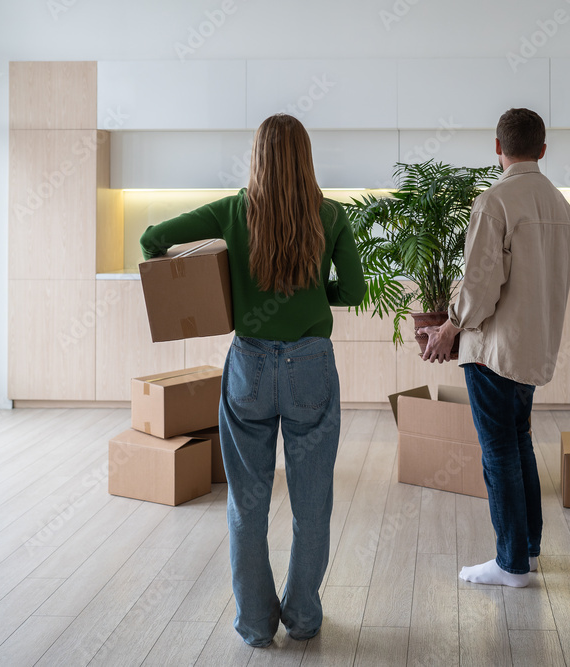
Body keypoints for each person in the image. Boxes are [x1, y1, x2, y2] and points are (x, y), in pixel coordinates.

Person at [139, 114, 366, 646]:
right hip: (310, 363)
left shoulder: (233, 210)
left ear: (258, 157)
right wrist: (313, 299)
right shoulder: (330, 215)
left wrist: (217, 289)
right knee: (313, 505)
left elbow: (154, 240)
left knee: (248, 504)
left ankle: (256, 626)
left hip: (249, 365)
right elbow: (354, 290)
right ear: (306, 157)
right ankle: (304, 618)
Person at [419, 108, 570, 587]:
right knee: (520, 443)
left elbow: (481, 285)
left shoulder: (495, 202)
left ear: (497, 147)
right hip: (533, 351)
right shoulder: (560, 205)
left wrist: (450, 327)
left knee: (498, 453)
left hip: (493, 352)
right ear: (543, 150)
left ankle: (510, 564)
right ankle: (526, 552)